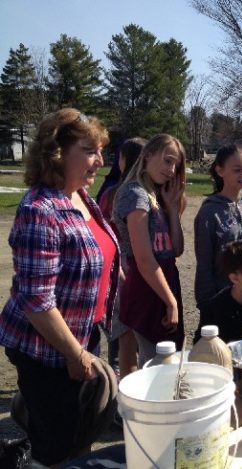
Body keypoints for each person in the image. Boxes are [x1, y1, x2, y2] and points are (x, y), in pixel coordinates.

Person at [0, 108, 119, 466]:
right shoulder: (40, 209)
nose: (99, 160)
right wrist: (75, 355)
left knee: (79, 434)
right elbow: (37, 302)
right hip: (47, 351)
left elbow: (98, 247)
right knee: (56, 447)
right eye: (89, 150)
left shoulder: (81, 196)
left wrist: (111, 273)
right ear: (57, 152)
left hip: (81, 337)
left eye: (101, 151)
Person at [113, 134, 186, 367]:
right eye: (167, 160)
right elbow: (144, 260)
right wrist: (171, 302)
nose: (172, 170)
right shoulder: (135, 194)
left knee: (164, 360)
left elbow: (176, 249)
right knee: (157, 364)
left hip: (163, 284)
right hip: (146, 289)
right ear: (148, 156)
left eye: (176, 164)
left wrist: (173, 208)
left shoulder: (155, 196)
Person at [194, 144, 242, 318]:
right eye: (237, 170)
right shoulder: (209, 212)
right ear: (220, 170)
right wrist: (206, 302)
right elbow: (204, 263)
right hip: (222, 299)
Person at [98, 137, 146, 380]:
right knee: (125, 329)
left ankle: (121, 376)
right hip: (125, 269)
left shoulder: (110, 193)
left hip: (124, 268)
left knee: (122, 329)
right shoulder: (123, 194)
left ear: (123, 160)